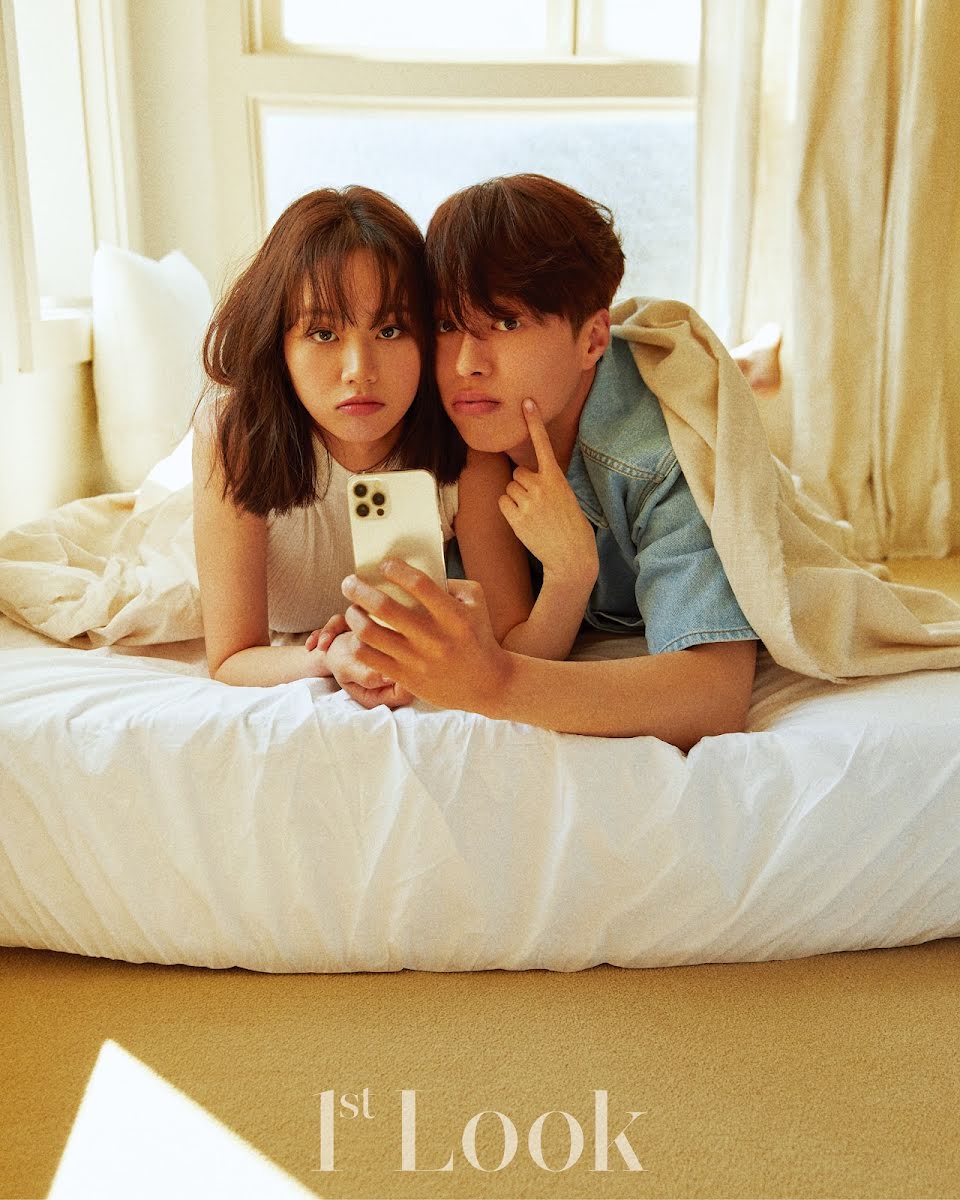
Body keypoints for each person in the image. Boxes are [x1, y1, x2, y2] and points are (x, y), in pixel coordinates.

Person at [339, 174, 759, 748]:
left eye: (507, 323)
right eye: (446, 324)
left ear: (592, 340)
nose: (466, 364)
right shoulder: (415, 408)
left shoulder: (657, 458)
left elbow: (713, 693)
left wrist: (494, 684)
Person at [193, 185, 595, 702]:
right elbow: (230, 658)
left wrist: (570, 580)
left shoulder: (465, 449)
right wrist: (328, 657)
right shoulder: (234, 437)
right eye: (323, 334)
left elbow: (511, 652)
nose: (359, 371)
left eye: (389, 331)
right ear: (279, 342)